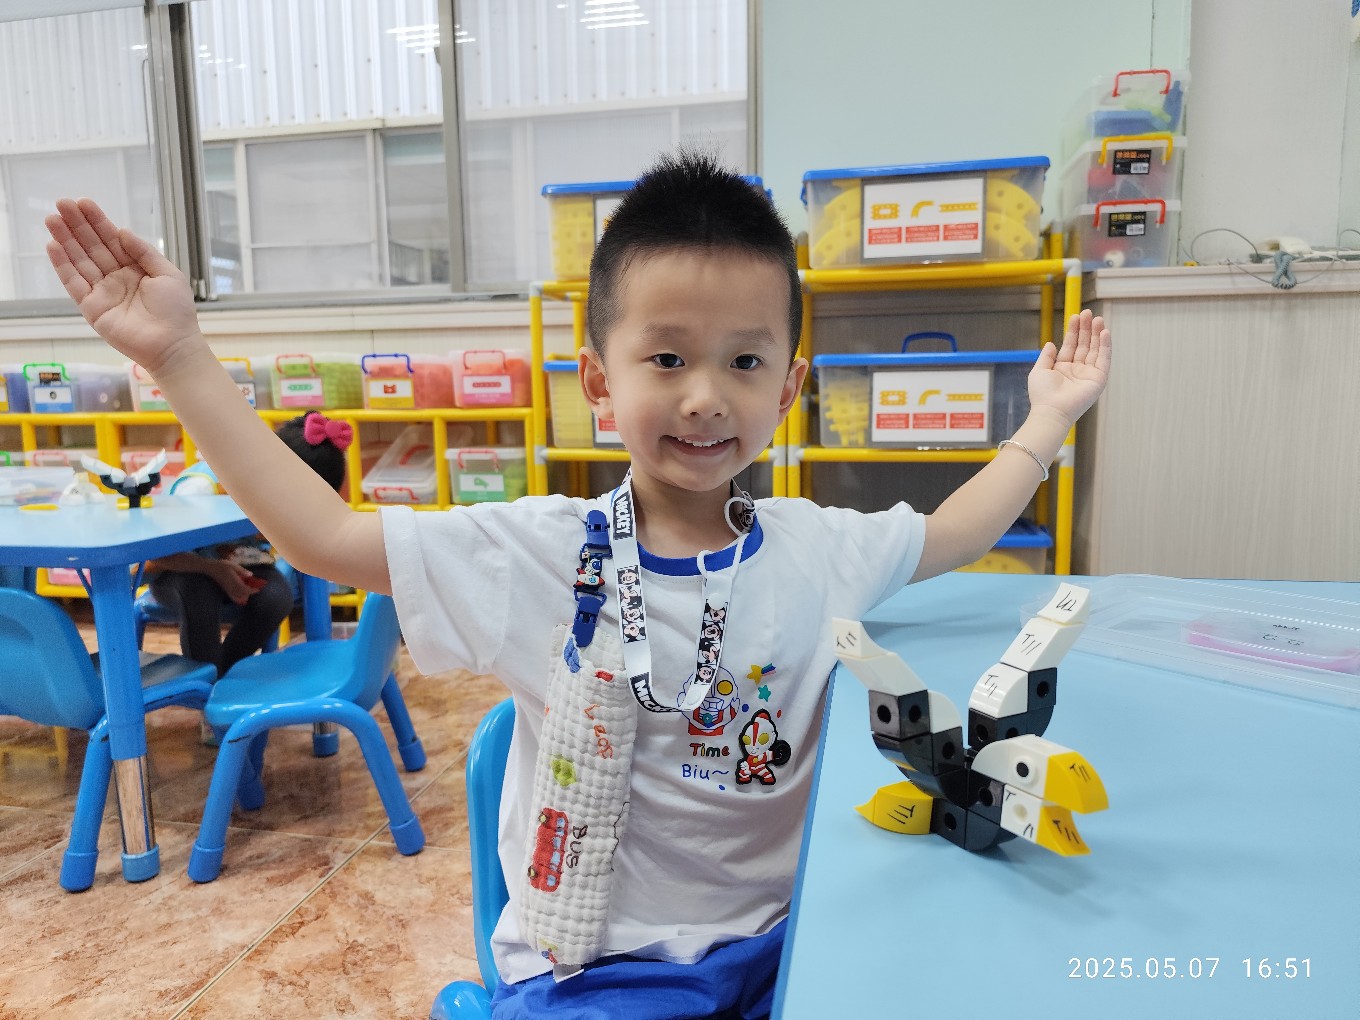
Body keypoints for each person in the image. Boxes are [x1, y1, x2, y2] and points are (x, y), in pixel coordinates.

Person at [44, 149, 1111, 1020]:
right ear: (598, 380)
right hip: (600, 971)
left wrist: (1049, 419)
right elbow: (322, 535)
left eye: (744, 363)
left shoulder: (819, 548)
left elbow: (953, 531)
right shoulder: (540, 553)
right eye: (667, 359)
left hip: (784, 943)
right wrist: (179, 356)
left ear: (790, 387)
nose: (705, 397)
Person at [142, 411, 349, 678]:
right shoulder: (201, 489)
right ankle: (206, 683)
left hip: (241, 563)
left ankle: (222, 675)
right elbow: (156, 557)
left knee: (276, 598)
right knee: (199, 594)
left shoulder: (277, 493)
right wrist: (214, 570)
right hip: (178, 570)